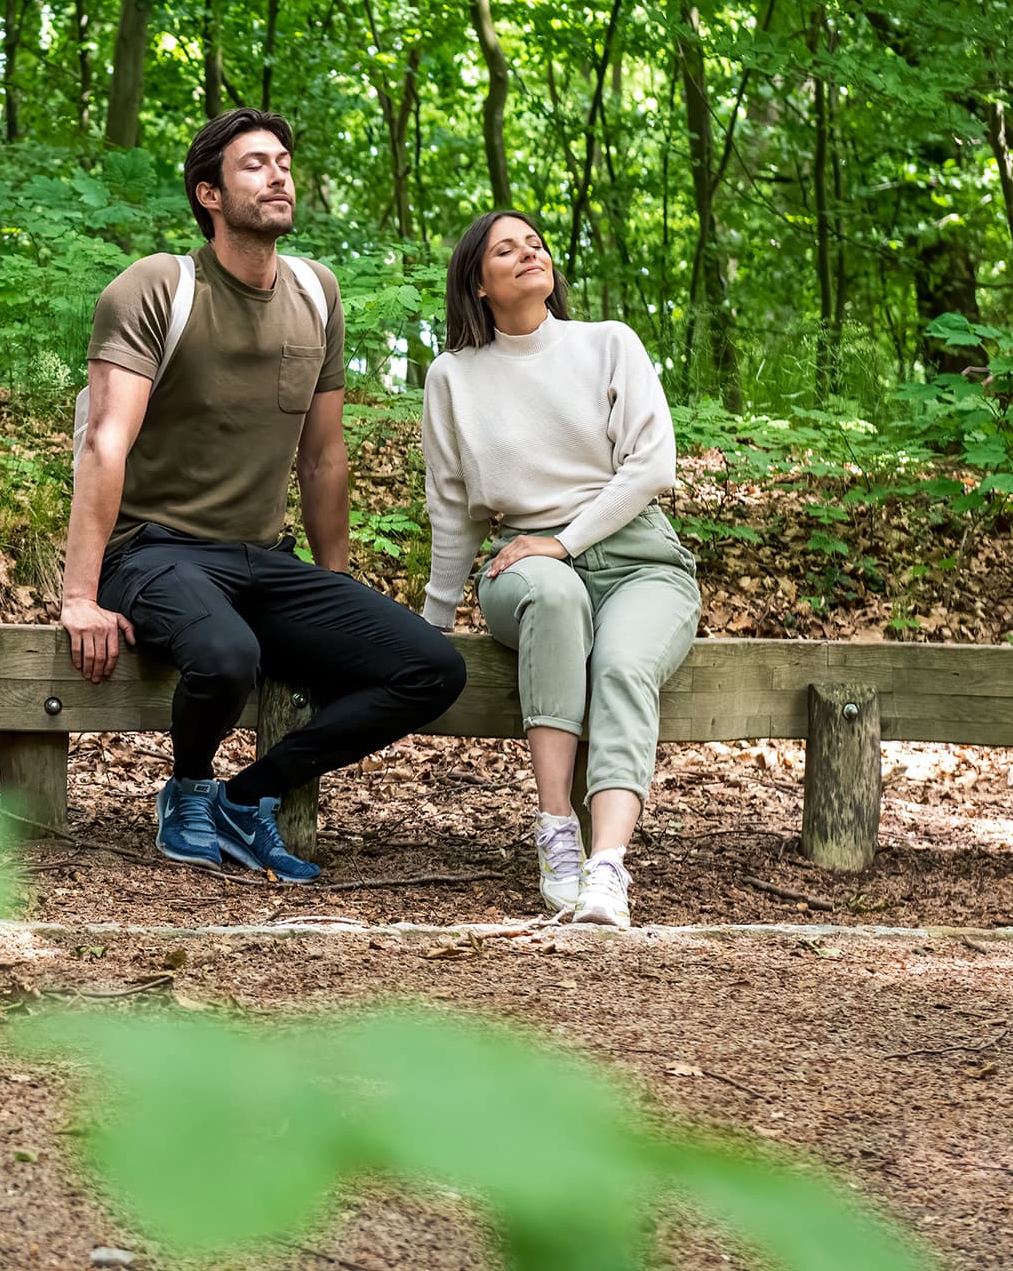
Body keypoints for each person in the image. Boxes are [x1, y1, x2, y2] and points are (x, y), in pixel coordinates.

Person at [60, 107, 466, 881]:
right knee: (226, 653)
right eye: (255, 164)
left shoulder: (316, 292)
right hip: (151, 552)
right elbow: (104, 443)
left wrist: (334, 579)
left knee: (429, 668)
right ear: (209, 194)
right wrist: (81, 594)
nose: (277, 173)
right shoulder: (158, 287)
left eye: (283, 160)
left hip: (260, 560)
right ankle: (187, 791)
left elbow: (322, 454)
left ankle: (248, 799)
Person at [419, 210, 701, 927]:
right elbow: (453, 508)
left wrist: (568, 541)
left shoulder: (608, 344)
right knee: (554, 595)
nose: (526, 254)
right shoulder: (453, 376)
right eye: (503, 250)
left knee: (619, 666)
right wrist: (431, 623)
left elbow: (652, 467)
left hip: (641, 562)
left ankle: (607, 868)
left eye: (535, 244)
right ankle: (556, 833)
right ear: (477, 284)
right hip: (523, 563)